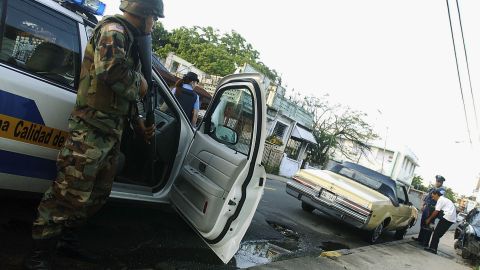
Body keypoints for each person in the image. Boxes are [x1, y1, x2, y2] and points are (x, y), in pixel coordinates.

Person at [24, 1, 164, 269]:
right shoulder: (114, 31)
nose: (154, 25)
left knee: (97, 194)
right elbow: (110, 71)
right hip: (90, 130)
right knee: (67, 193)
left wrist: (136, 122)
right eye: (154, 19)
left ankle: (67, 241)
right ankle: (38, 255)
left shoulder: (129, 40)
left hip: (110, 131)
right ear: (145, 14)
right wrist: (142, 83)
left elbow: (118, 95)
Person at [413, 175, 446, 246]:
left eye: (439, 181)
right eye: (436, 181)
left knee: (429, 224)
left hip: (433, 209)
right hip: (427, 207)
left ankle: (425, 242)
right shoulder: (433, 188)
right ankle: (420, 238)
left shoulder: (442, 190)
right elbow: (427, 197)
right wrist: (423, 205)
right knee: (423, 223)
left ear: (441, 182)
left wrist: (434, 189)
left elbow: (437, 196)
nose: (437, 182)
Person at [424, 189, 457, 254]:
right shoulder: (443, 199)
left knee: (436, 233)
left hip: (447, 218)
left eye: (433, 196)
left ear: (436, 194)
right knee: (432, 209)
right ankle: (431, 224)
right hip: (448, 217)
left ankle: (433, 249)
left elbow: (436, 212)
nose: (433, 198)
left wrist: (428, 219)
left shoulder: (440, 200)